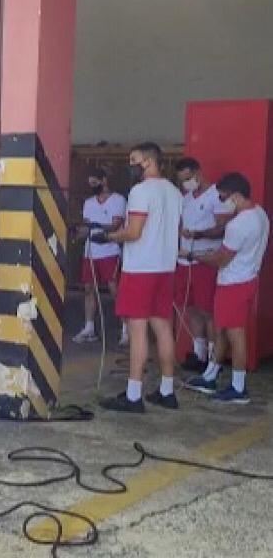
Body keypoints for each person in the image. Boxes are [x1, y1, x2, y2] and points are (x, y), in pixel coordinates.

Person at [99, 142, 182, 413]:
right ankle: (167, 391)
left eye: (133, 159)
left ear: (147, 161)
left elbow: (134, 232)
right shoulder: (174, 191)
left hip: (140, 269)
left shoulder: (140, 191)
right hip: (165, 267)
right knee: (163, 328)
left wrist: (111, 236)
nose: (130, 164)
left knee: (138, 330)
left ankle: (134, 395)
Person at [184, 173, 269, 403]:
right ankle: (210, 375)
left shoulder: (238, 225)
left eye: (224, 197)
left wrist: (193, 254)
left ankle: (239, 387)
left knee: (235, 333)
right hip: (245, 279)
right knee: (221, 328)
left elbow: (221, 260)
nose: (222, 202)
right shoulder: (260, 214)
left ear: (237, 195)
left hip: (234, 282)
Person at [172, 158, 235, 372]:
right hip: (184, 259)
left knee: (208, 309)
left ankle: (212, 356)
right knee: (191, 308)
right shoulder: (186, 198)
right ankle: (198, 353)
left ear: (199, 172)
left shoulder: (217, 195)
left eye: (189, 178)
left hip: (205, 260)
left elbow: (223, 228)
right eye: (182, 180)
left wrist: (198, 235)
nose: (186, 183)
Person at [72, 167, 128, 347]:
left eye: (95, 182)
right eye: (90, 184)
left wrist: (96, 226)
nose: (93, 186)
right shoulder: (88, 203)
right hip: (90, 251)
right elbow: (86, 226)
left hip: (109, 251)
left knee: (115, 290)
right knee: (89, 289)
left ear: (104, 180)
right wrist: (78, 233)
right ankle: (89, 328)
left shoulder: (118, 200)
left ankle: (126, 329)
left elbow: (115, 225)